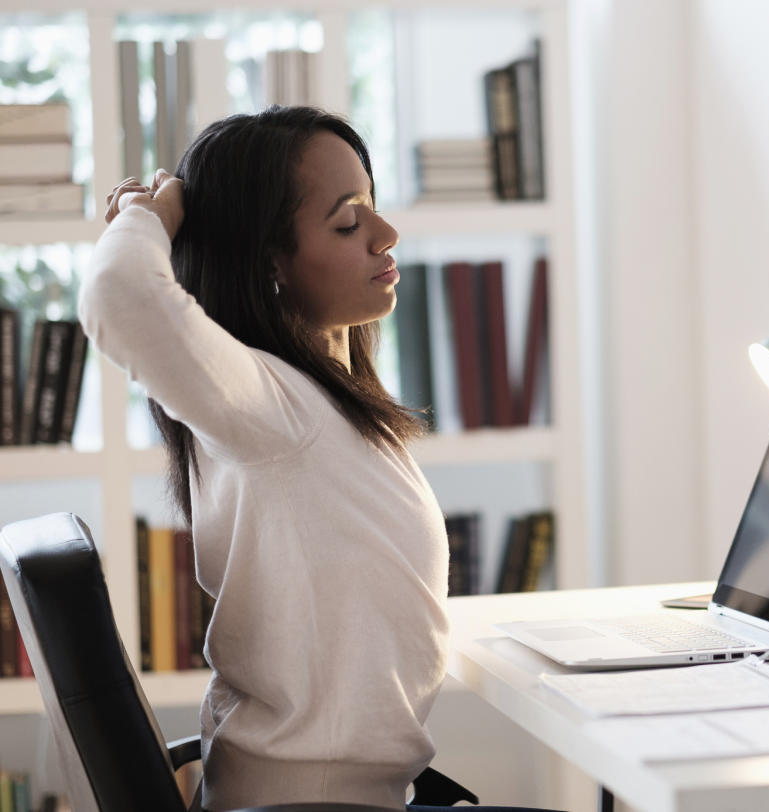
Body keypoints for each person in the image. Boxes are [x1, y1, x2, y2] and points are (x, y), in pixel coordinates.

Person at [80, 106, 552, 812]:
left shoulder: (307, 403)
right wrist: (149, 216)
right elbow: (120, 296)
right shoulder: (274, 412)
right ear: (269, 259)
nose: (386, 235)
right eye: (347, 222)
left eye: (373, 208)